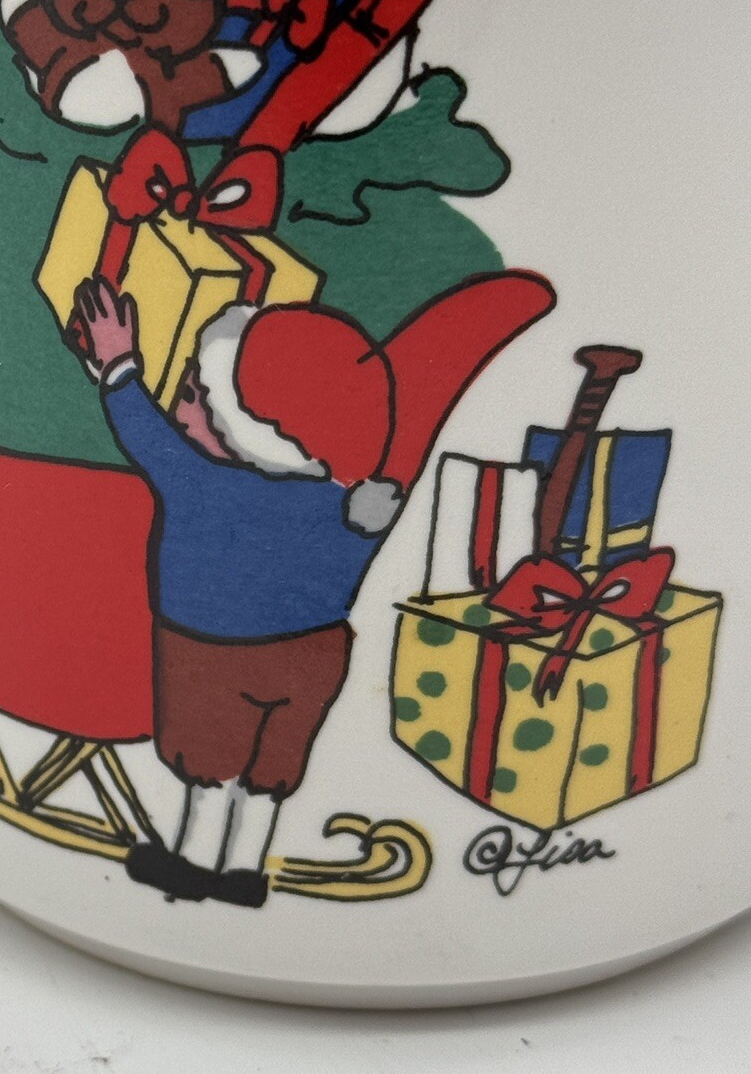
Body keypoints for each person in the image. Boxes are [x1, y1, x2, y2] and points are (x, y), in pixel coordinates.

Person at [70, 270, 554, 905]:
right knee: (271, 769)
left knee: (209, 767)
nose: (182, 405)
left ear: (236, 427)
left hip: (214, 649)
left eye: (193, 391)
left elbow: (148, 437)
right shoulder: (349, 508)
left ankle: (192, 864)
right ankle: (245, 873)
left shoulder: (210, 485)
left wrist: (118, 365)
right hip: (315, 659)